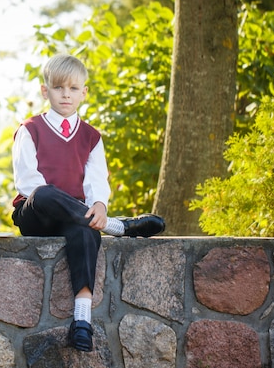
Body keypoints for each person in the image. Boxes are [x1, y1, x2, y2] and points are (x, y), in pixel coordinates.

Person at [11, 54, 165, 353]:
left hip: (74, 217)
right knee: (45, 192)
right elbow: (28, 183)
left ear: (84, 92)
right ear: (46, 91)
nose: (65, 94)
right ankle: (119, 227)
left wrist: (99, 205)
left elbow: (97, 181)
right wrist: (91, 212)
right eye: (58, 88)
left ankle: (82, 321)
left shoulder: (91, 136)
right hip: (35, 214)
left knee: (85, 229)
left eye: (72, 88)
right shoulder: (30, 130)